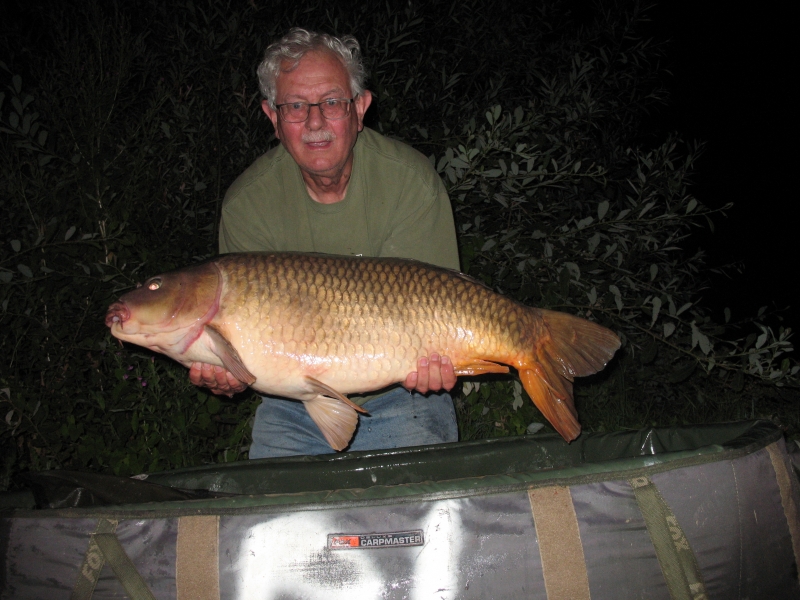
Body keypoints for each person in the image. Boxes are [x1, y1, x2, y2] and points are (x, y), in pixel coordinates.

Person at [190, 28, 461, 458]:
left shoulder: (410, 183)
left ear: (360, 108)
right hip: (290, 406)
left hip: (402, 398)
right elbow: (246, 356)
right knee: (279, 523)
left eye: (331, 102)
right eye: (295, 106)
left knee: (412, 519)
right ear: (272, 118)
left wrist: (441, 361)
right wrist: (231, 374)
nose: (314, 122)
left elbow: (436, 309)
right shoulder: (248, 205)